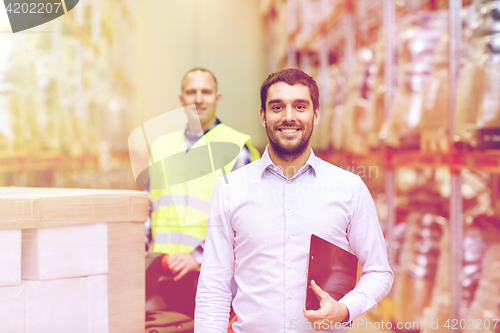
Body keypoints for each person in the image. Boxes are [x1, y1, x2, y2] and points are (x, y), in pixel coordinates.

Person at [194, 68, 394, 332]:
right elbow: (214, 285)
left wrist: (346, 308)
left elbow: (379, 272)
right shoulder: (230, 188)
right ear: (263, 116)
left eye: (300, 106)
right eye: (277, 107)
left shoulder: (349, 188)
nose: (288, 117)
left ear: (316, 114)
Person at [146, 68, 260, 318]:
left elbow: (245, 220)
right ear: (181, 100)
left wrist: (197, 256)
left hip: (211, 276)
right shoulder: (161, 146)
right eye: (191, 92)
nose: (198, 98)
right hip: (161, 272)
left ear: (217, 98)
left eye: (205, 92)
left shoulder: (235, 148)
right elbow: (148, 206)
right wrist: (143, 258)